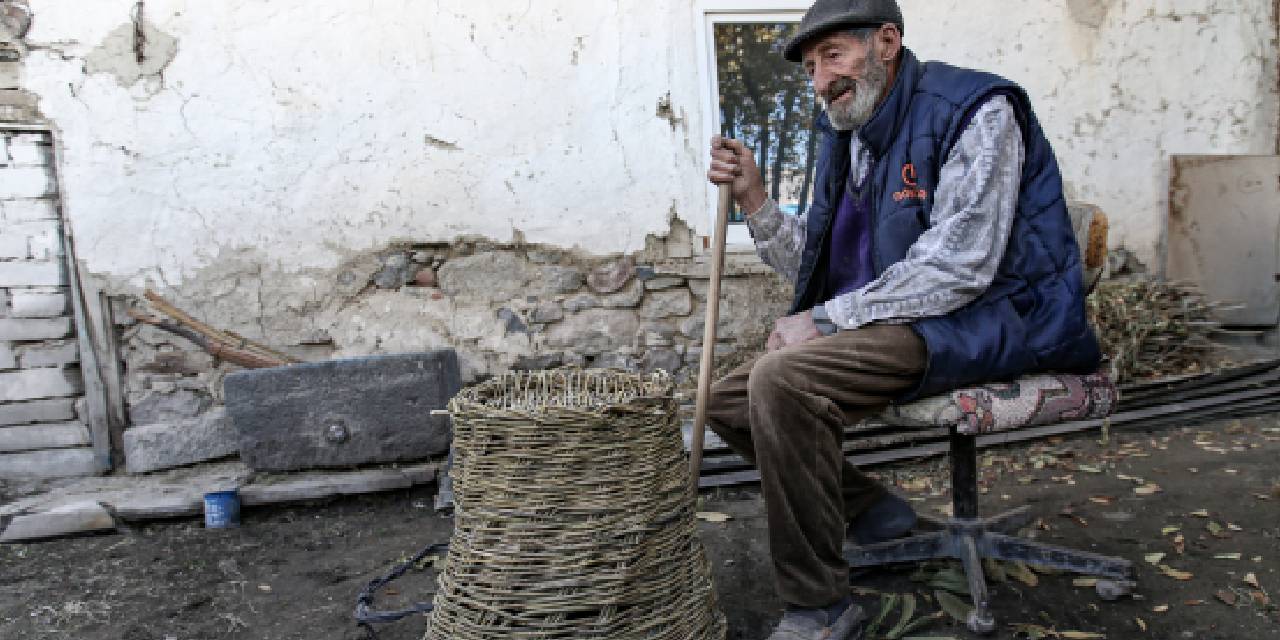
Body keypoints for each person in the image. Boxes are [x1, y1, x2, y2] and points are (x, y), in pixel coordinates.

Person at [705, 0, 1102, 638]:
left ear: (887, 42)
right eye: (809, 68)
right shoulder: (849, 135)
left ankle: (820, 608)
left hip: (1000, 316)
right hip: (918, 322)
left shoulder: (974, 109)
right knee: (725, 401)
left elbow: (960, 266)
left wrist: (828, 321)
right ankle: (874, 511)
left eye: (832, 56)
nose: (820, 81)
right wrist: (754, 196)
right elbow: (819, 263)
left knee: (780, 381)